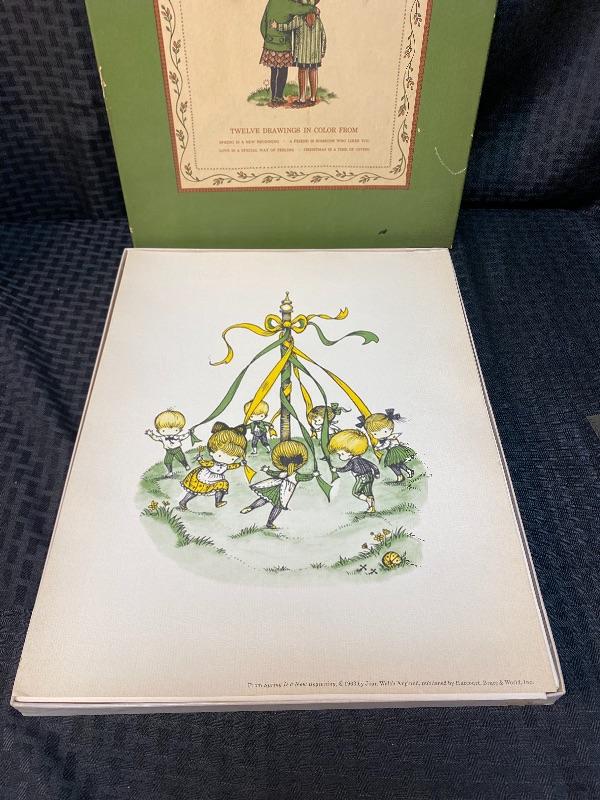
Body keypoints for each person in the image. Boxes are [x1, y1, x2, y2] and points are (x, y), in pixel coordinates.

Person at [240, 440, 318, 528]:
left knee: (265, 499)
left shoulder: (284, 473)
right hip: (281, 491)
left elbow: (274, 473)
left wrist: (267, 470)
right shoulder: (295, 476)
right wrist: (313, 475)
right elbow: (305, 477)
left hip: (275, 488)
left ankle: (251, 507)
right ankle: (269, 523)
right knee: (277, 506)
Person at [259, 0, 318, 106]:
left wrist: (267, 39)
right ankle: (278, 97)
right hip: (283, 45)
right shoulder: (289, 4)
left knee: (274, 72)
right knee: (282, 72)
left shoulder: (271, 2)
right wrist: (314, 9)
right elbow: (302, 9)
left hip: (270, 44)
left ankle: (274, 97)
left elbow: (263, 24)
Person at [178, 423, 248, 510]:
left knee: (222, 485)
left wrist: (240, 464)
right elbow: (204, 463)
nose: (226, 460)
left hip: (215, 478)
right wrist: (200, 459)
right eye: (220, 455)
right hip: (203, 476)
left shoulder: (226, 465)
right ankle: (183, 502)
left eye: (232, 458)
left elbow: (232, 466)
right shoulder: (212, 463)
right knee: (194, 490)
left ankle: (218, 501)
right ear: (212, 452)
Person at [329, 429, 380, 513]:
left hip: (361, 478)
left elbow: (345, 468)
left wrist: (336, 469)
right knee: (368, 492)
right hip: (370, 476)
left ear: (351, 452)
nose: (340, 456)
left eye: (342, 454)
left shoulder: (353, 462)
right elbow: (373, 466)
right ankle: (372, 507)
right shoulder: (362, 460)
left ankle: (367, 500)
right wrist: (377, 473)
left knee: (356, 492)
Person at [360, 409, 416, 482]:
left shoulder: (388, 439)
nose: (379, 435)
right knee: (396, 464)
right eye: (375, 434)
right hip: (393, 451)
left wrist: (377, 448)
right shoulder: (388, 438)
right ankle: (406, 472)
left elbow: (385, 445)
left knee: (393, 464)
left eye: (385, 431)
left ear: (391, 428)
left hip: (394, 451)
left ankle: (400, 475)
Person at [145, 409, 191, 478]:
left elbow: (183, 436)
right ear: (158, 430)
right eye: (164, 430)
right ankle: (170, 472)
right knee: (167, 461)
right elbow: (155, 437)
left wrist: (189, 433)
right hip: (169, 451)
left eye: (175, 429)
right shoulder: (162, 438)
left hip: (177, 450)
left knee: (181, 458)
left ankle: (186, 465)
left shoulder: (176, 437)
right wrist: (150, 434)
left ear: (180, 429)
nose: (169, 432)